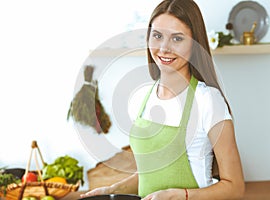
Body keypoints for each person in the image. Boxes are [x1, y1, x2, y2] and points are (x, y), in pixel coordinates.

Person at [81, 0, 245, 199]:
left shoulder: (207, 100)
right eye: (157, 36)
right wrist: (112, 190)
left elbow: (235, 187)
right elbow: (149, 173)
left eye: (177, 39)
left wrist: (182, 195)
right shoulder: (143, 97)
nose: (164, 48)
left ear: (195, 44)